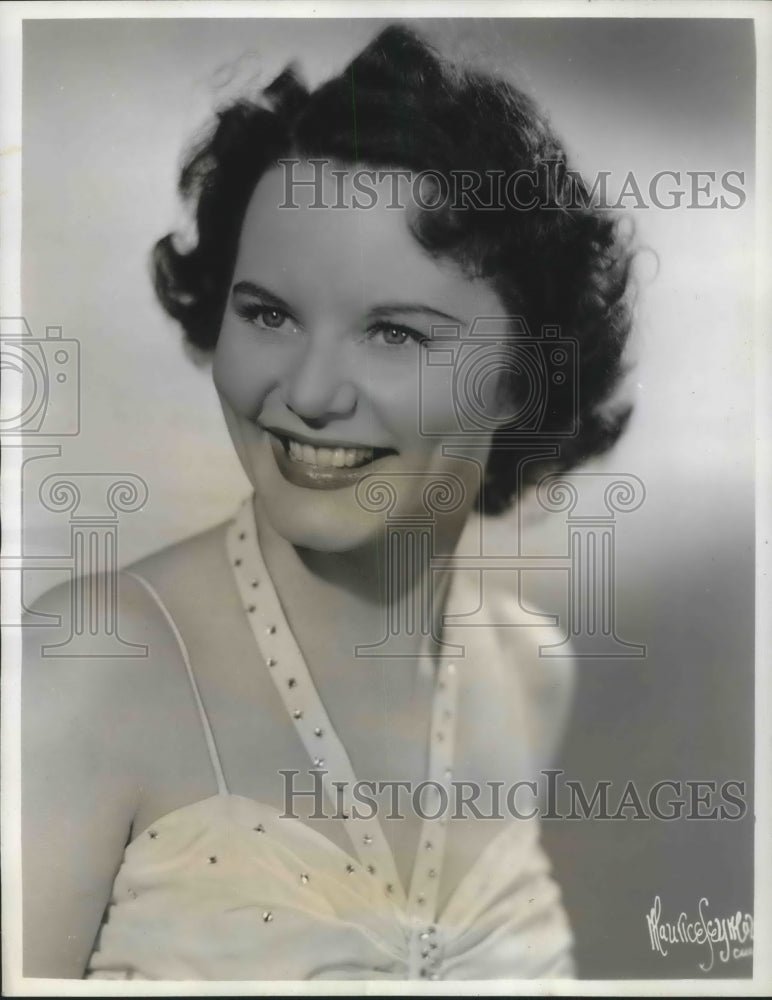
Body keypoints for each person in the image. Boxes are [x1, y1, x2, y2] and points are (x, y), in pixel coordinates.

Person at [22, 25, 635, 981]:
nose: (308, 393)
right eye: (267, 313)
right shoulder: (88, 663)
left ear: (524, 378)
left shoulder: (529, 672)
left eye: (392, 332)